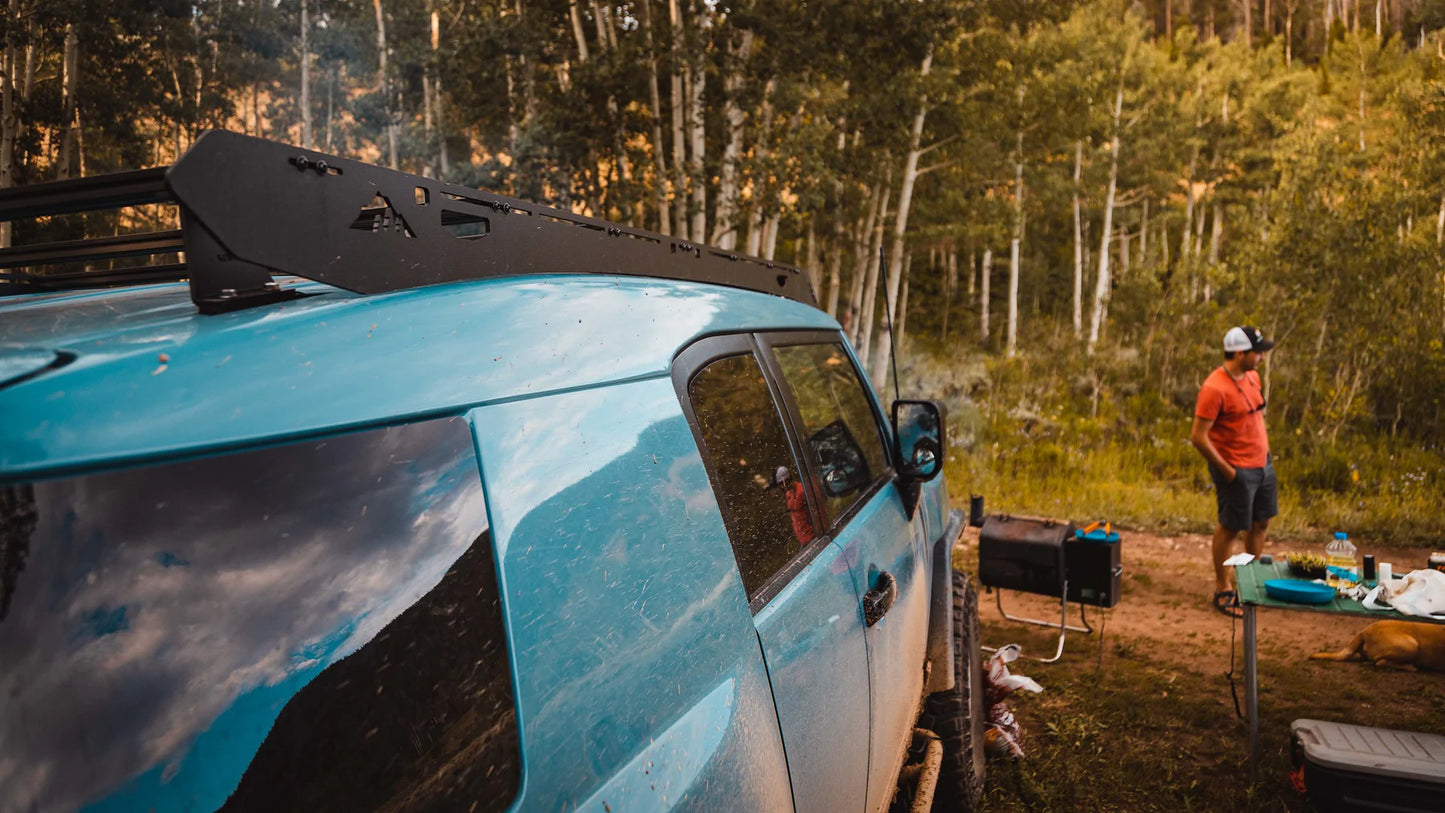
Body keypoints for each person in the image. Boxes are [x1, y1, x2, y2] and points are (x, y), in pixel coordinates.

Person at [1190, 326, 1278, 618]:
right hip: (1236, 469)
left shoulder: (1252, 377)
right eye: (1258, 351)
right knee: (1230, 527)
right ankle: (1222, 587)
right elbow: (1199, 437)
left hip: (1262, 464)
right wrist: (1228, 472)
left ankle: (1249, 582)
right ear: (1240, 353)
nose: (1262, 356)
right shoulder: (1214, 388)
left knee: (1260, 523)